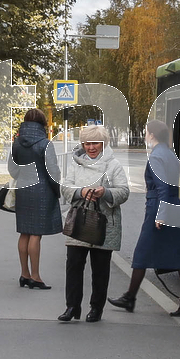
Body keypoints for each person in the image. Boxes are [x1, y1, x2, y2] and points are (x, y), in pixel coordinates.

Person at [109, 119, 180, 317]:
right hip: (175, 208)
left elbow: (163, 188)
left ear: (151, 134)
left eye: (146, 132)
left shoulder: (156, 156)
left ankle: (130, 298)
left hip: (160, 209)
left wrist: (160, 215)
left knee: (141, 253)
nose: (145, 136)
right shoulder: (170, 154)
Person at [57, 123, 130, 322]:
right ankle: (72, 307)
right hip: (79, 222)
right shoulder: (75, 163)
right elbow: (65, 187)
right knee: (73, 265)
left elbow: (124, 191)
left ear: (103, 143)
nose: (91, 147)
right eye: (87, 143)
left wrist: (104, 192)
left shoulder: (113, 165)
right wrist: (81, 192)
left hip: (104, 224)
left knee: (100, 269)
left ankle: (96, 308)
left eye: (95, 143)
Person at [9, 108, 61, 288]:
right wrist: (57, 190)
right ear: (42, 125)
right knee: (36, 235)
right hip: (42, 191)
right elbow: (53, 173)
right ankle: (36, 277)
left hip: (23, 190)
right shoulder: (45, 144)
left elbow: (13, 170)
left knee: (24, 232)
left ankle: (24, 274)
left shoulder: (16, 143)